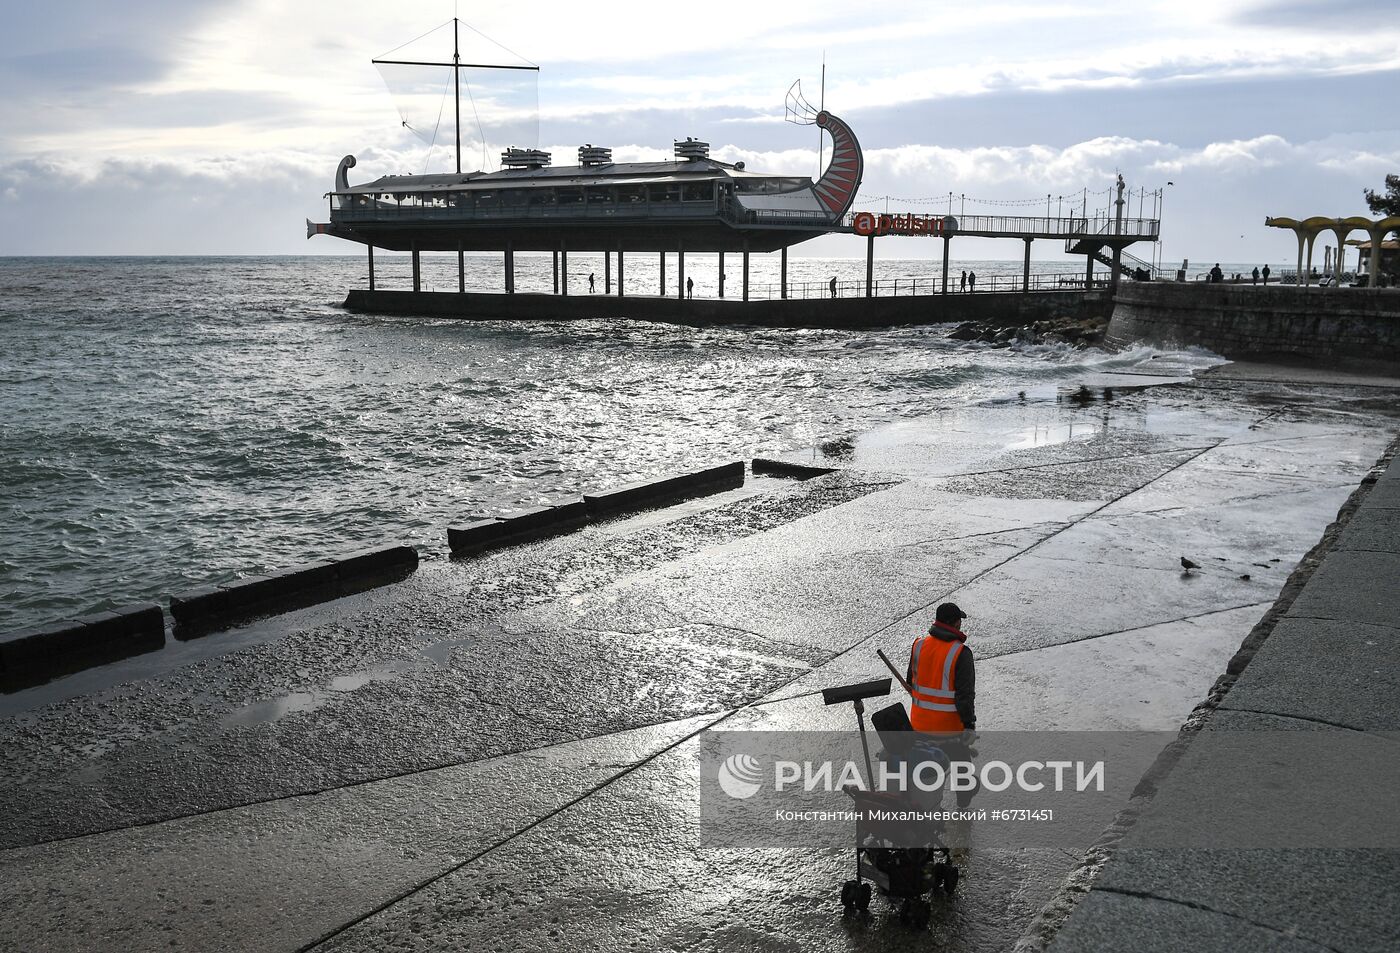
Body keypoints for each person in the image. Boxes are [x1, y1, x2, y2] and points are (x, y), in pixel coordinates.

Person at [907, 602, 978, 808]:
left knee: (929, 764)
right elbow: (965, 696)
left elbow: (911, 681)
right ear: (956, 623)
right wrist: (969, 726)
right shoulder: (961, 653)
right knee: (962, 760)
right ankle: (964, 798)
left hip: (918, 725)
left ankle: (926, 800)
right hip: (948, 729)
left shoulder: (918, 645)